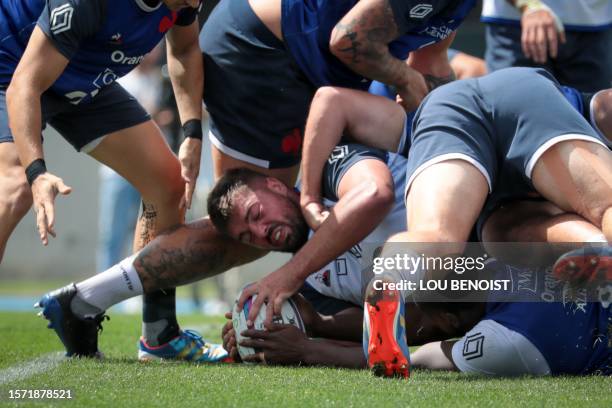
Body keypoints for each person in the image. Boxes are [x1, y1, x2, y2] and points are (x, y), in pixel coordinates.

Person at [236, 67, 612, 377]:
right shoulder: (512, 340)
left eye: (254, 216)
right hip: (514, 105)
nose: (258, 233)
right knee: (597, 209)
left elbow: (420, 351)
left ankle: (392, 274)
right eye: (246, 235)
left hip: (469, 143)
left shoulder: (509, 338)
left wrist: (309, 197)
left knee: (459, 236)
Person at [0, 0, 223, 361]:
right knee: (13, 189)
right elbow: (24, 86)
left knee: (168, 185)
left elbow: (184, 48)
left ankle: (159, 336)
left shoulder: (183, 2)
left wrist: (192, 131)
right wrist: (37, 173)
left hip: (81, 76)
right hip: (13, 67)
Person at [481, 0, 612, 91]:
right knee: (515, 117)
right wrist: (529, 5)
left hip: (595, 26)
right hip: (516, 23)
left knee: (589, 126)